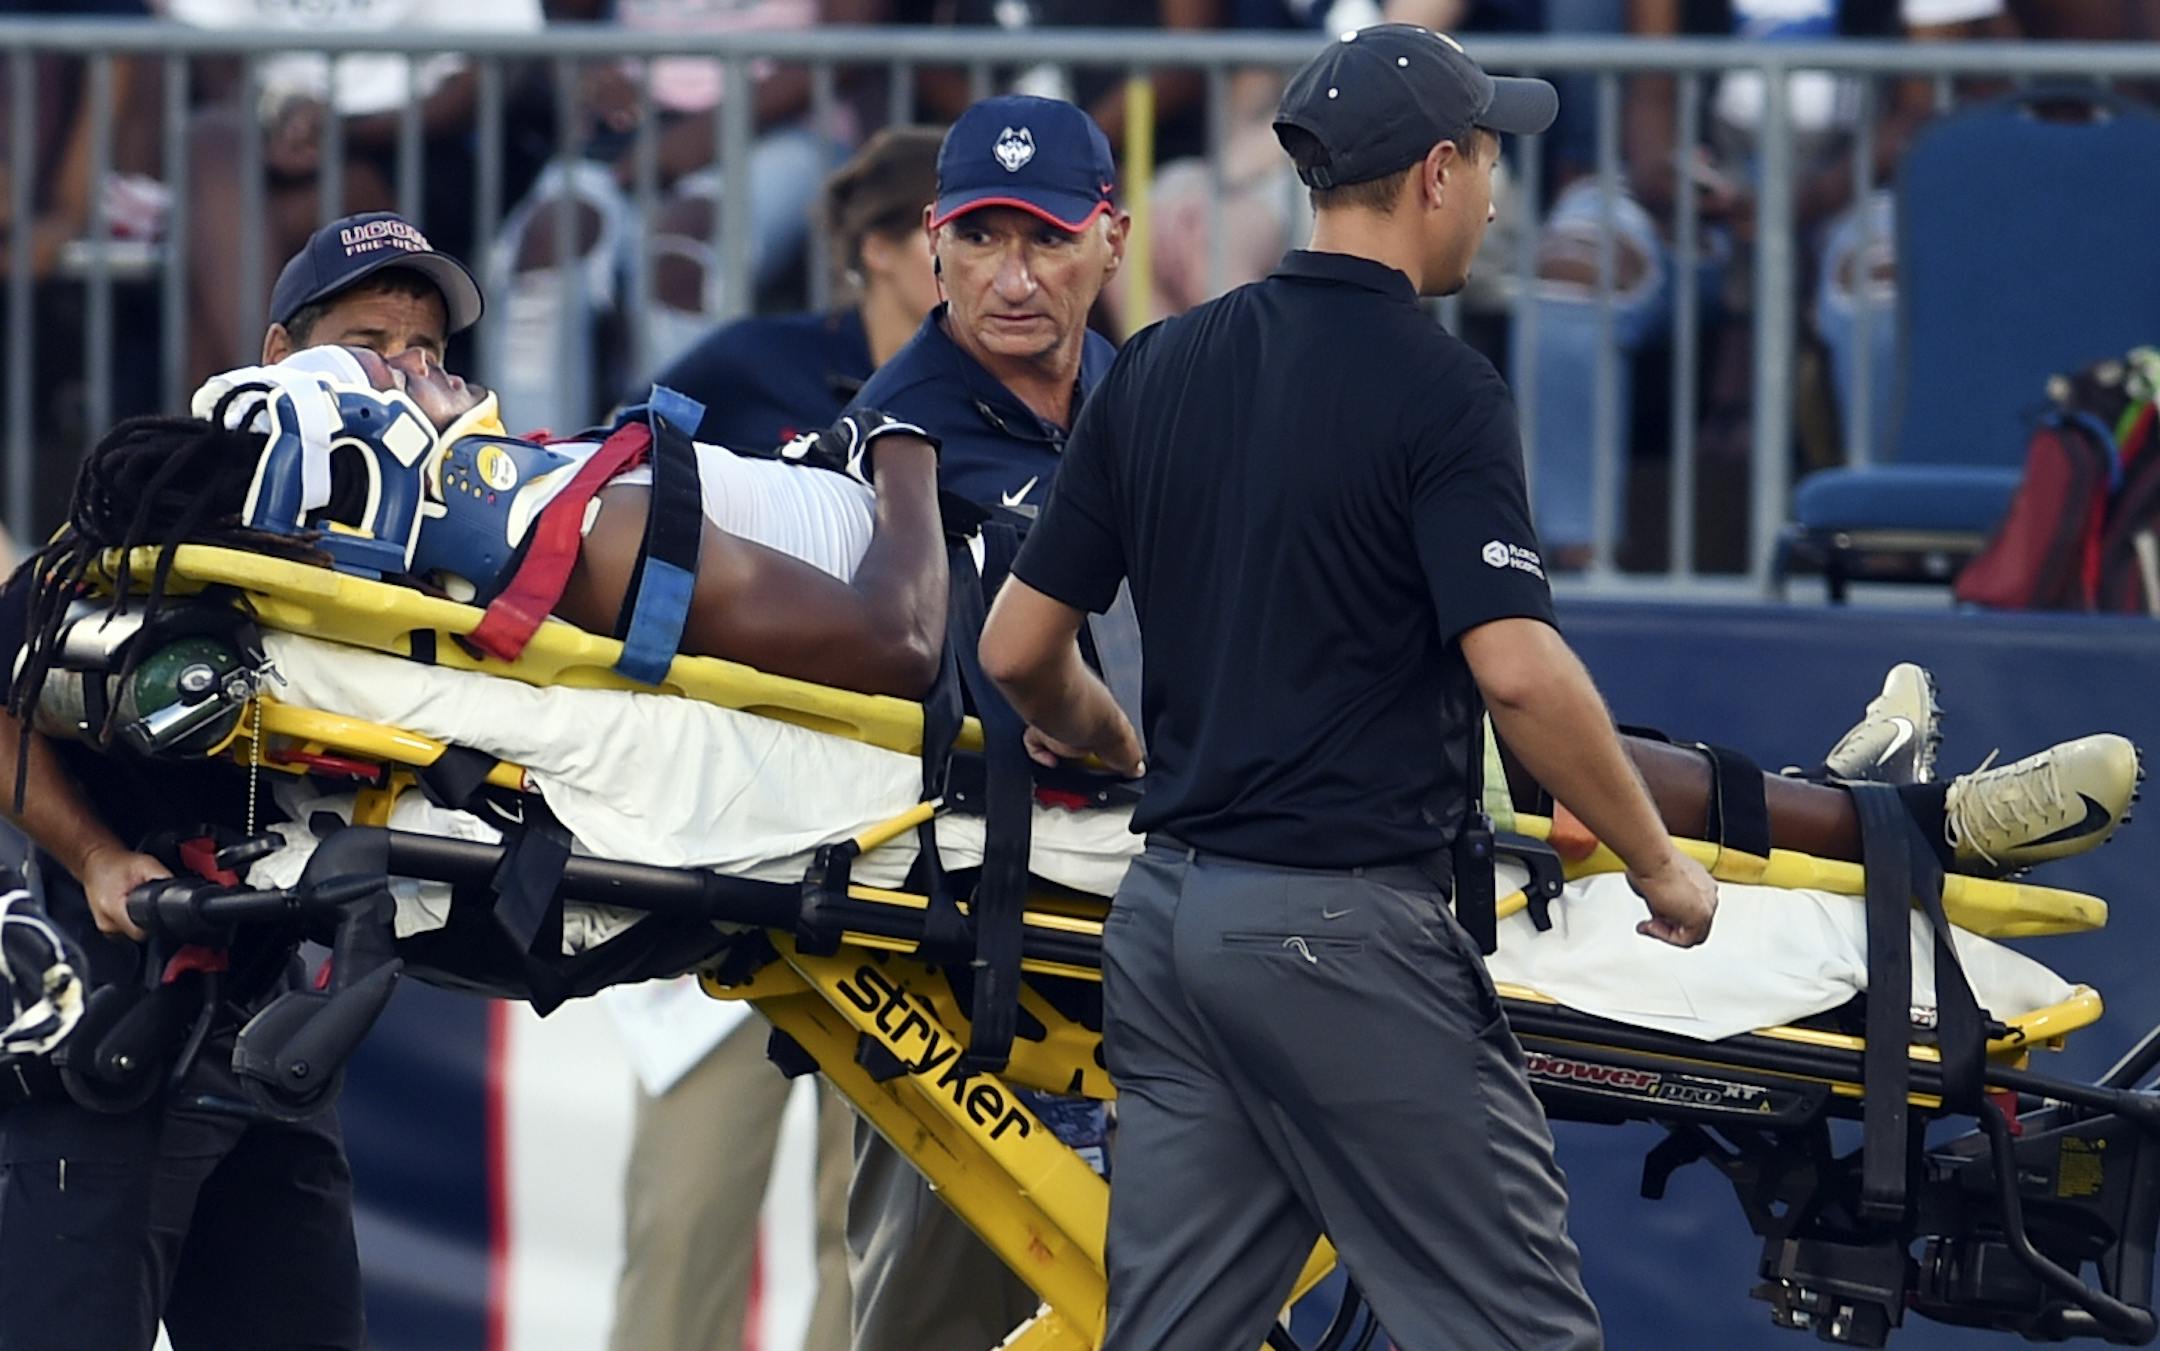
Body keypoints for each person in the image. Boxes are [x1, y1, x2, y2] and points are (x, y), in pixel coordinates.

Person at [976, 28, 1717, 1348]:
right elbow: (1521, 670)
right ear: (1437, 173)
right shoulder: (1443, 389)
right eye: (1490, 162)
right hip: (1337, 934)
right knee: (1524, 1331)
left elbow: (1019, 650)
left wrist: (1121, 745)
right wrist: (1663, 865)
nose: (1497, 196)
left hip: (1173, 922)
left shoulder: (1157, 362)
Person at [0, 208, 482, 1351]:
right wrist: (97, 854)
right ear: (280, 356)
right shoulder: (172, 500)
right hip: (107, 1027)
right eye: (371, 340)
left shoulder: (455, 539)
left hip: (276, 1039)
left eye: (426, 351)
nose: (404, 372)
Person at [598, 125, 942, 1351]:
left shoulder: (1013, 396)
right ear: (877, 248)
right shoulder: (755, 363)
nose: (988, 265)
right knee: (686, 1218)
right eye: (955, 232)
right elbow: (599, 503)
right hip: (727, 837)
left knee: (871, 1239)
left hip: (899, 853)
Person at [835, 93, 1129, 1351]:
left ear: (1110, 240)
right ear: (932, 245)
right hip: (956, 942)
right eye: (983, 239)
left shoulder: (1141, 393)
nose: (1014, 279)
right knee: (941, 1307)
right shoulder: (876, 449)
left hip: (1136, 932)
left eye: (1048, 240)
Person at [650, 126, 944, 448]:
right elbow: (618, 450)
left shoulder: (995, 390)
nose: (979, 261)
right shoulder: (754, 358)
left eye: (988, 240)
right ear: (878, 249)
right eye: (948, 235)